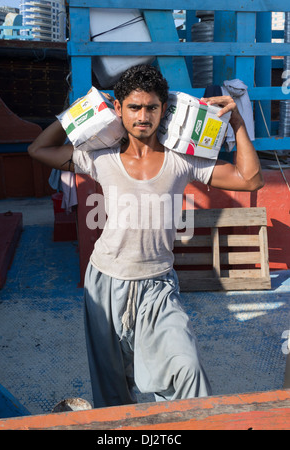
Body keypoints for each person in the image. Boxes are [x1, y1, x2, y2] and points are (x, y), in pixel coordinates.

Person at [28, 64, 263, 408]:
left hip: (158, 286)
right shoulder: (99, 157)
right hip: (105, 282)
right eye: (134, 107)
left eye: (151, 107)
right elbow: (38, 150)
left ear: (163, 110)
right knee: (112, 389)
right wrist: (78, 114)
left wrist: (237, 123)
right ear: (119, 109)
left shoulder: (182, 160)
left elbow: (251, 179)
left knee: (187, 371)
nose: (143, 116)